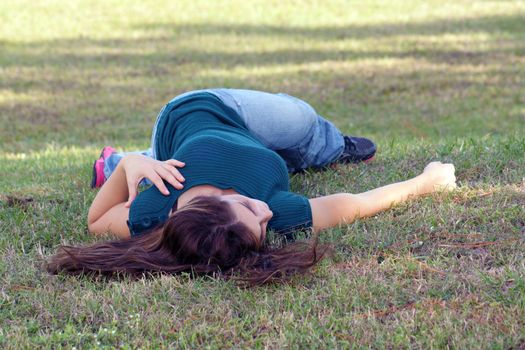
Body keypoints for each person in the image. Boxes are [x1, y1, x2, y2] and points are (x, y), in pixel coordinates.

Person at [47, 89, 456, 286]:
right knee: (293, 156)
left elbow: (96, 218)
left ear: (217, 200)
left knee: (301, 122)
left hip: (204, 108)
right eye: (260, 224)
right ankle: (122, 158)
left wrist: (132, 169)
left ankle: (120, 160)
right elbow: (357, 203)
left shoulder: (155, 202)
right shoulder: (275, 216)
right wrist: (424, 182)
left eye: (248, 205)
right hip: (218, 146)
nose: (265, 211)